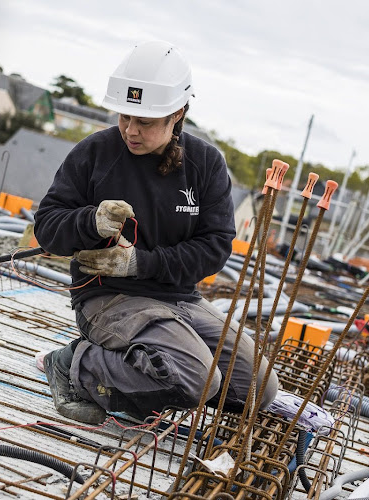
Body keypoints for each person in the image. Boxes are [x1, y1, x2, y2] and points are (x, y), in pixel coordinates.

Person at [34, 40, 278, 424]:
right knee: (199, 379)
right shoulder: (95, 153)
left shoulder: (205, 164)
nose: (130, 130)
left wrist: (139, 263)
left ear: (177, 114)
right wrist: (89, 221)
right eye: (124, 116)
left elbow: (214, 248)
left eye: (144, 122)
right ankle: (74, 364)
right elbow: (47, 227)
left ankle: (150, 371)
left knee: (257, 389)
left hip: (179, 298)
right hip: (108, 297)